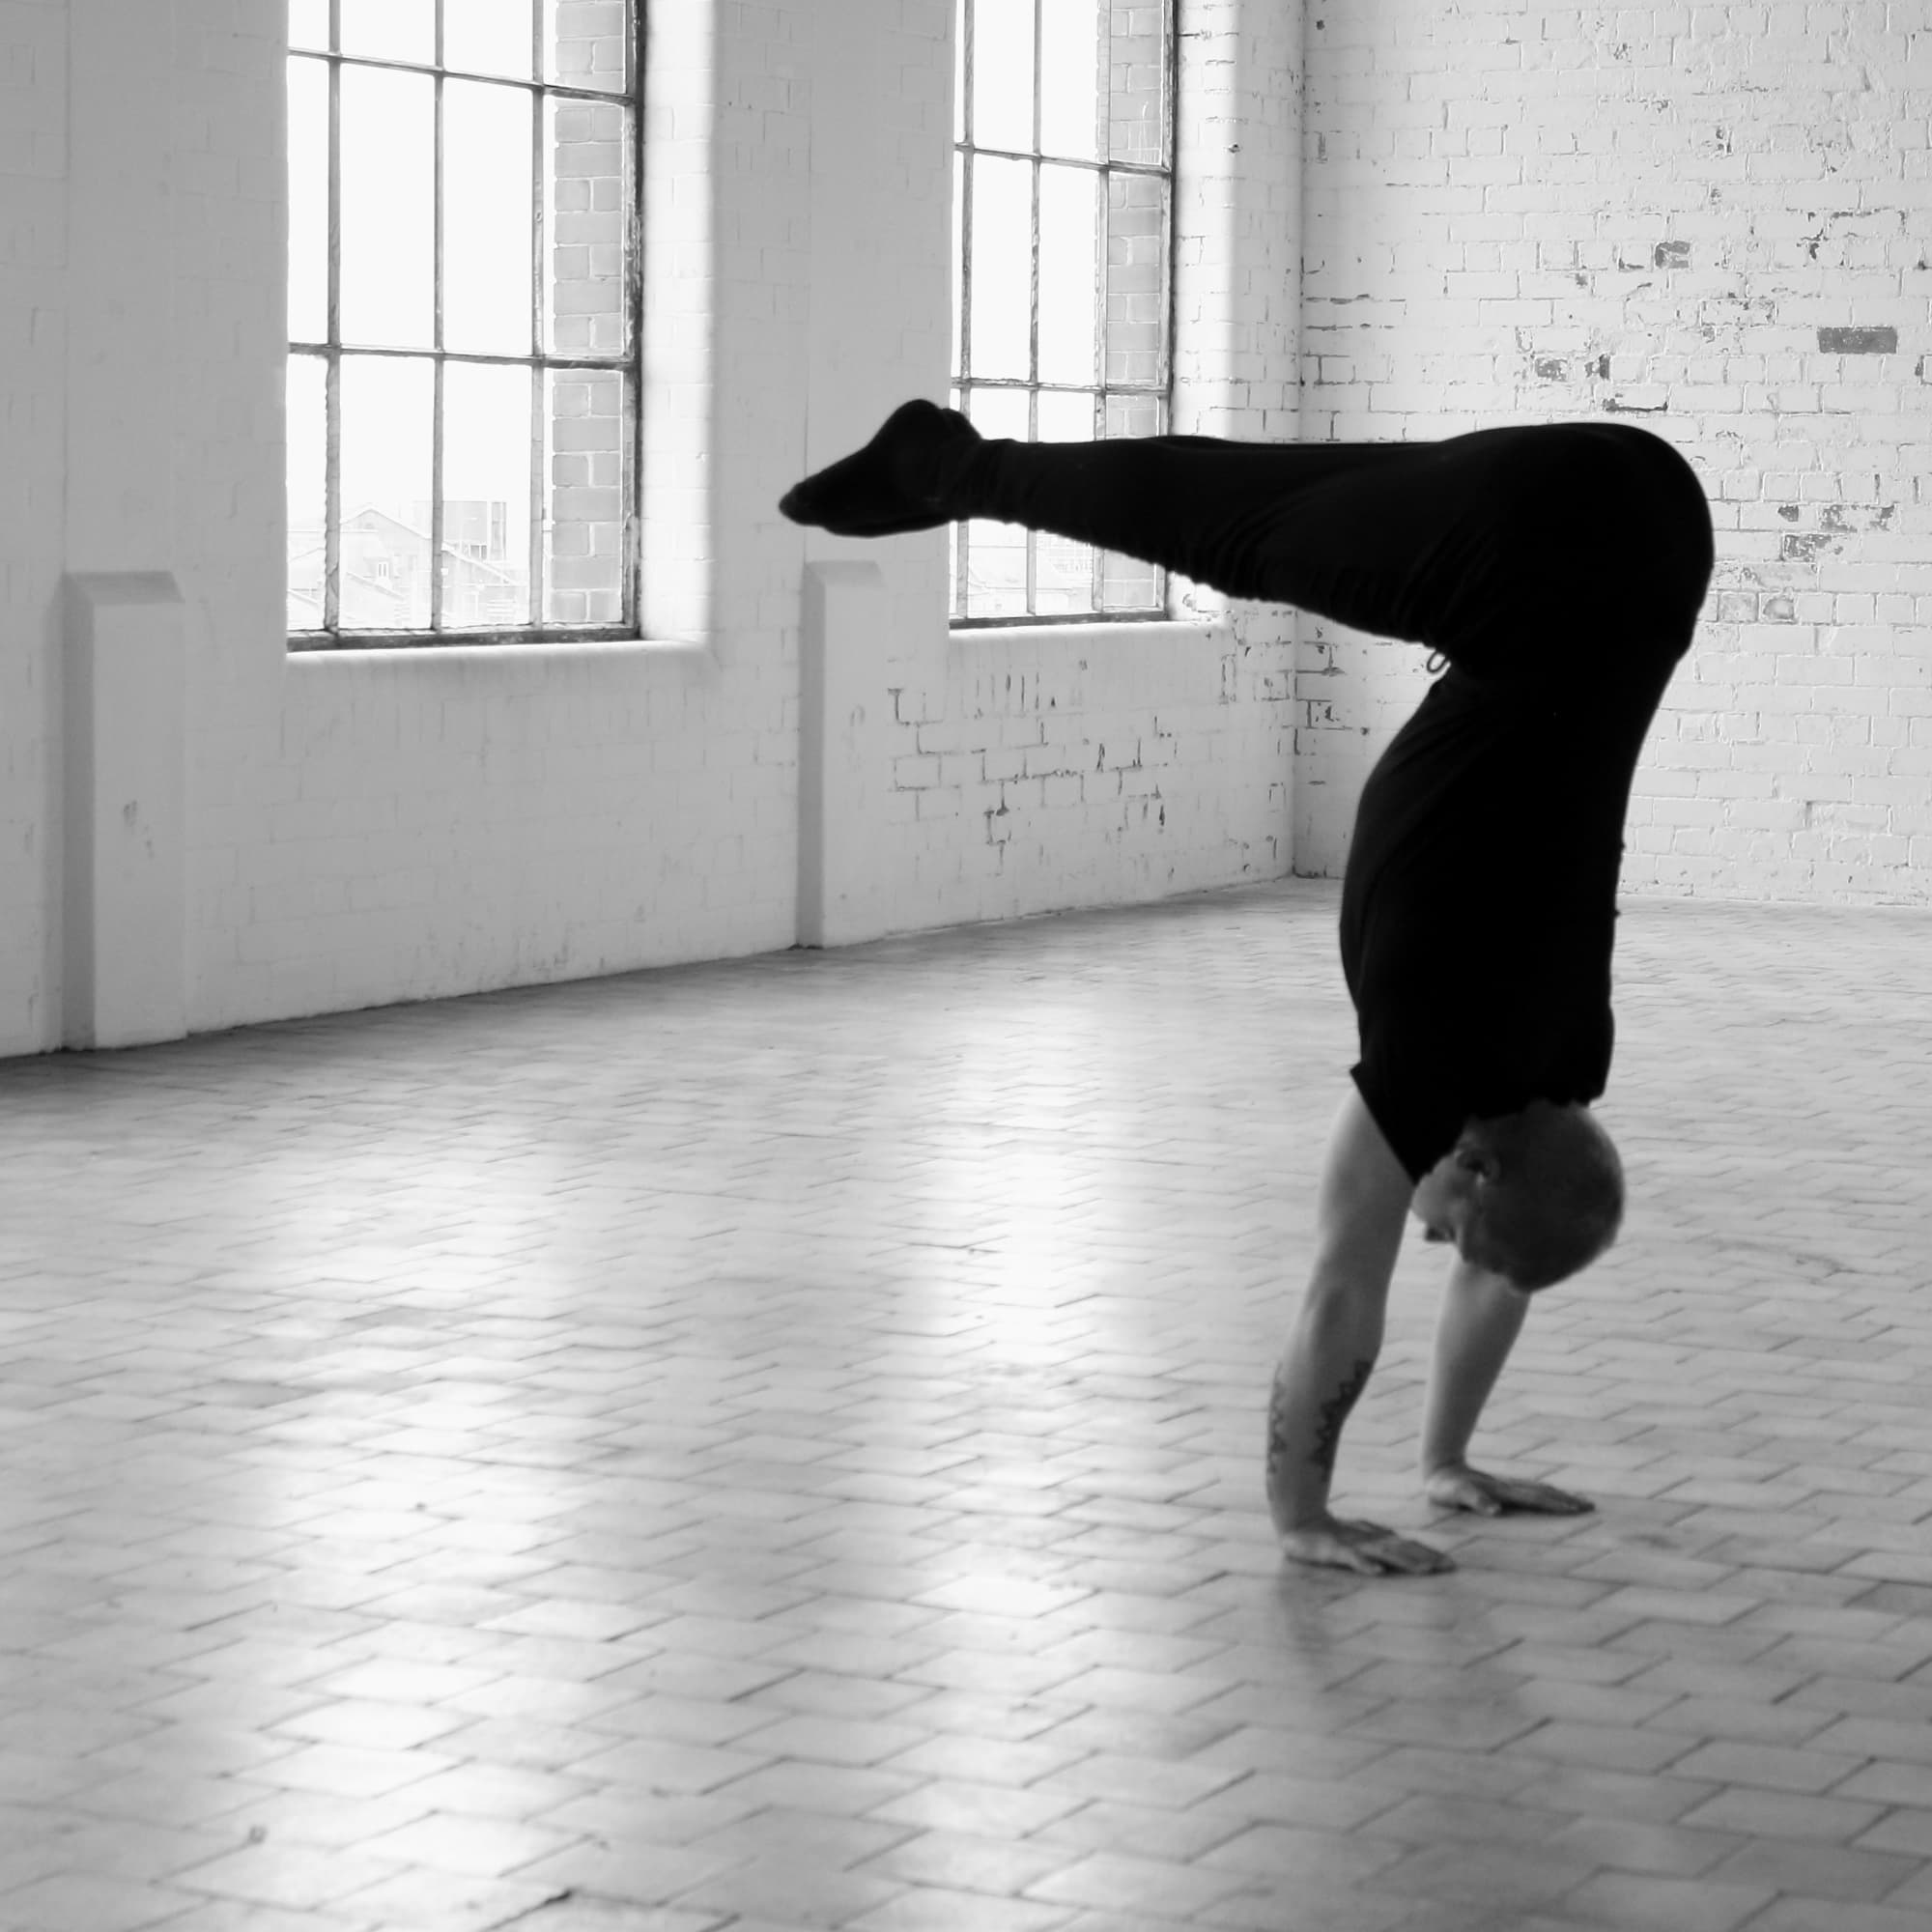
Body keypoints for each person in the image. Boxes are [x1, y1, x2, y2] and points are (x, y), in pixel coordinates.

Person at [780, 402, 1715, 1575]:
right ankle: (950, 466)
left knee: (1263, 491)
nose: (1428, 1242)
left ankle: (958, 466)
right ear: (1470, 1165)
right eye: (1447, 1230)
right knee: (1237, 533)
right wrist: (1303, 1517)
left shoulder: (1568, 1062)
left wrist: (1442, 1461)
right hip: (1528, 559)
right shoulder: (1429, 1064)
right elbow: (1340, 1295)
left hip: (1646, 525)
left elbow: (1505, 1248)